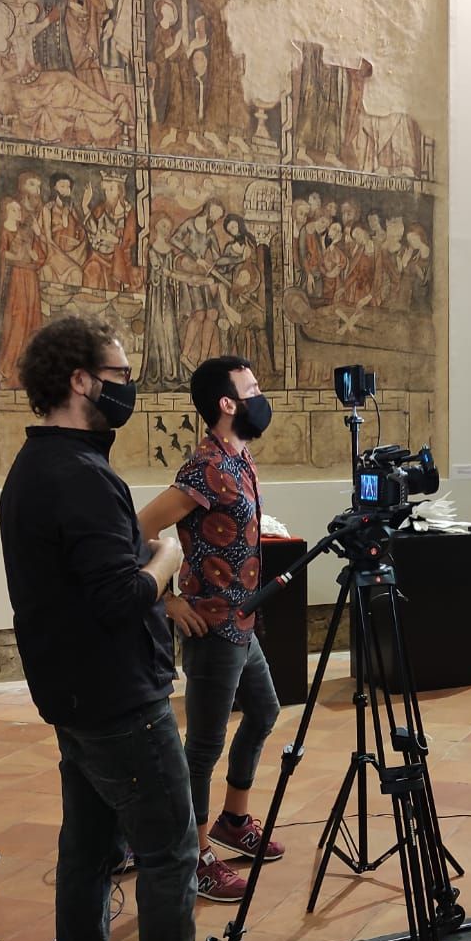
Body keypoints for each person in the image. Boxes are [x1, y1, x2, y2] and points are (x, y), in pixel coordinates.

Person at [0, 315, 268, 941]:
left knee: (86, 857)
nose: (129, 382)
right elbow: (121, 596)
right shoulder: (80, 477)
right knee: (169, 855)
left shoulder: (39, 465)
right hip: (119, 697)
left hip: (76, 694)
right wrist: (167, 559)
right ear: (82, 380)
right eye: (119, 371)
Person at [138, 355, 283, 902]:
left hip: (242, 622)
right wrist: (168, 600)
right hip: (212, 628)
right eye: (252, 388)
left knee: (265, 712)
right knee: (203, 748)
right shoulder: (203, 468)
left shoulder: (238, 458)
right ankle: (197, 854)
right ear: (227, 403)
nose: (260, 394)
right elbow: (141, 529)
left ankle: (233, 821)